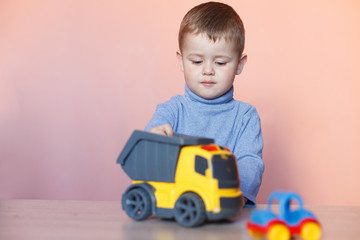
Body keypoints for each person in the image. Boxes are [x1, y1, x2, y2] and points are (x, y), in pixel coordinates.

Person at [145, 1, 264, 207]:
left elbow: (250, 164)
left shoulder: (246, 116)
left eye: (220, 63)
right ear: (181, 61)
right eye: (197, 61)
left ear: (239, 64)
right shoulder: (171, 111)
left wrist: (230, 195)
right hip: (179, 207)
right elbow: (147, 146)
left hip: (225, 210)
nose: (208, 70)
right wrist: (154, 140)